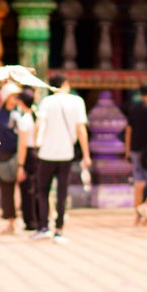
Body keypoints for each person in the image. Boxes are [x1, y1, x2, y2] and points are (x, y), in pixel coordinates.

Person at [33, 74, 91, 244]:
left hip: (46, 153)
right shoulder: (77, 101)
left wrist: (37, 143)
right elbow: (81, 129)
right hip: (66, 153)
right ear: (65, 84)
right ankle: (59, 230)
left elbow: (38, 126)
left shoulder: (46, 102)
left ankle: (43, 227)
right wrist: (86, 154)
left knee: (43, 190)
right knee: (62, 192)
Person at [124, 82, 147, 224]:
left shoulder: (134, 108)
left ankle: (137, 216)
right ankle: (146, 206)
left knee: (138, 182)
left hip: (135, 149)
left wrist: (127, 149)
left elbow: (129, 130)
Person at [0, 82, 20, 234]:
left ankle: (29, 220)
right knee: (6, 190)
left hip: (20, 155)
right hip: (4, 155)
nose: (16, 98)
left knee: (25, 188)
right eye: (13, 96)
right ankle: (11, 222)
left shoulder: (22, 112)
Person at [15, 87, 38, 232]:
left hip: (29, 155)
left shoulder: (24, 120)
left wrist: (20, 165)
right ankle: (39, 219)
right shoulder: (37, 116)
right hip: (38, 153)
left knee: (27, 188)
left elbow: (22, 144)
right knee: (37, 187)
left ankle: (30, 221)